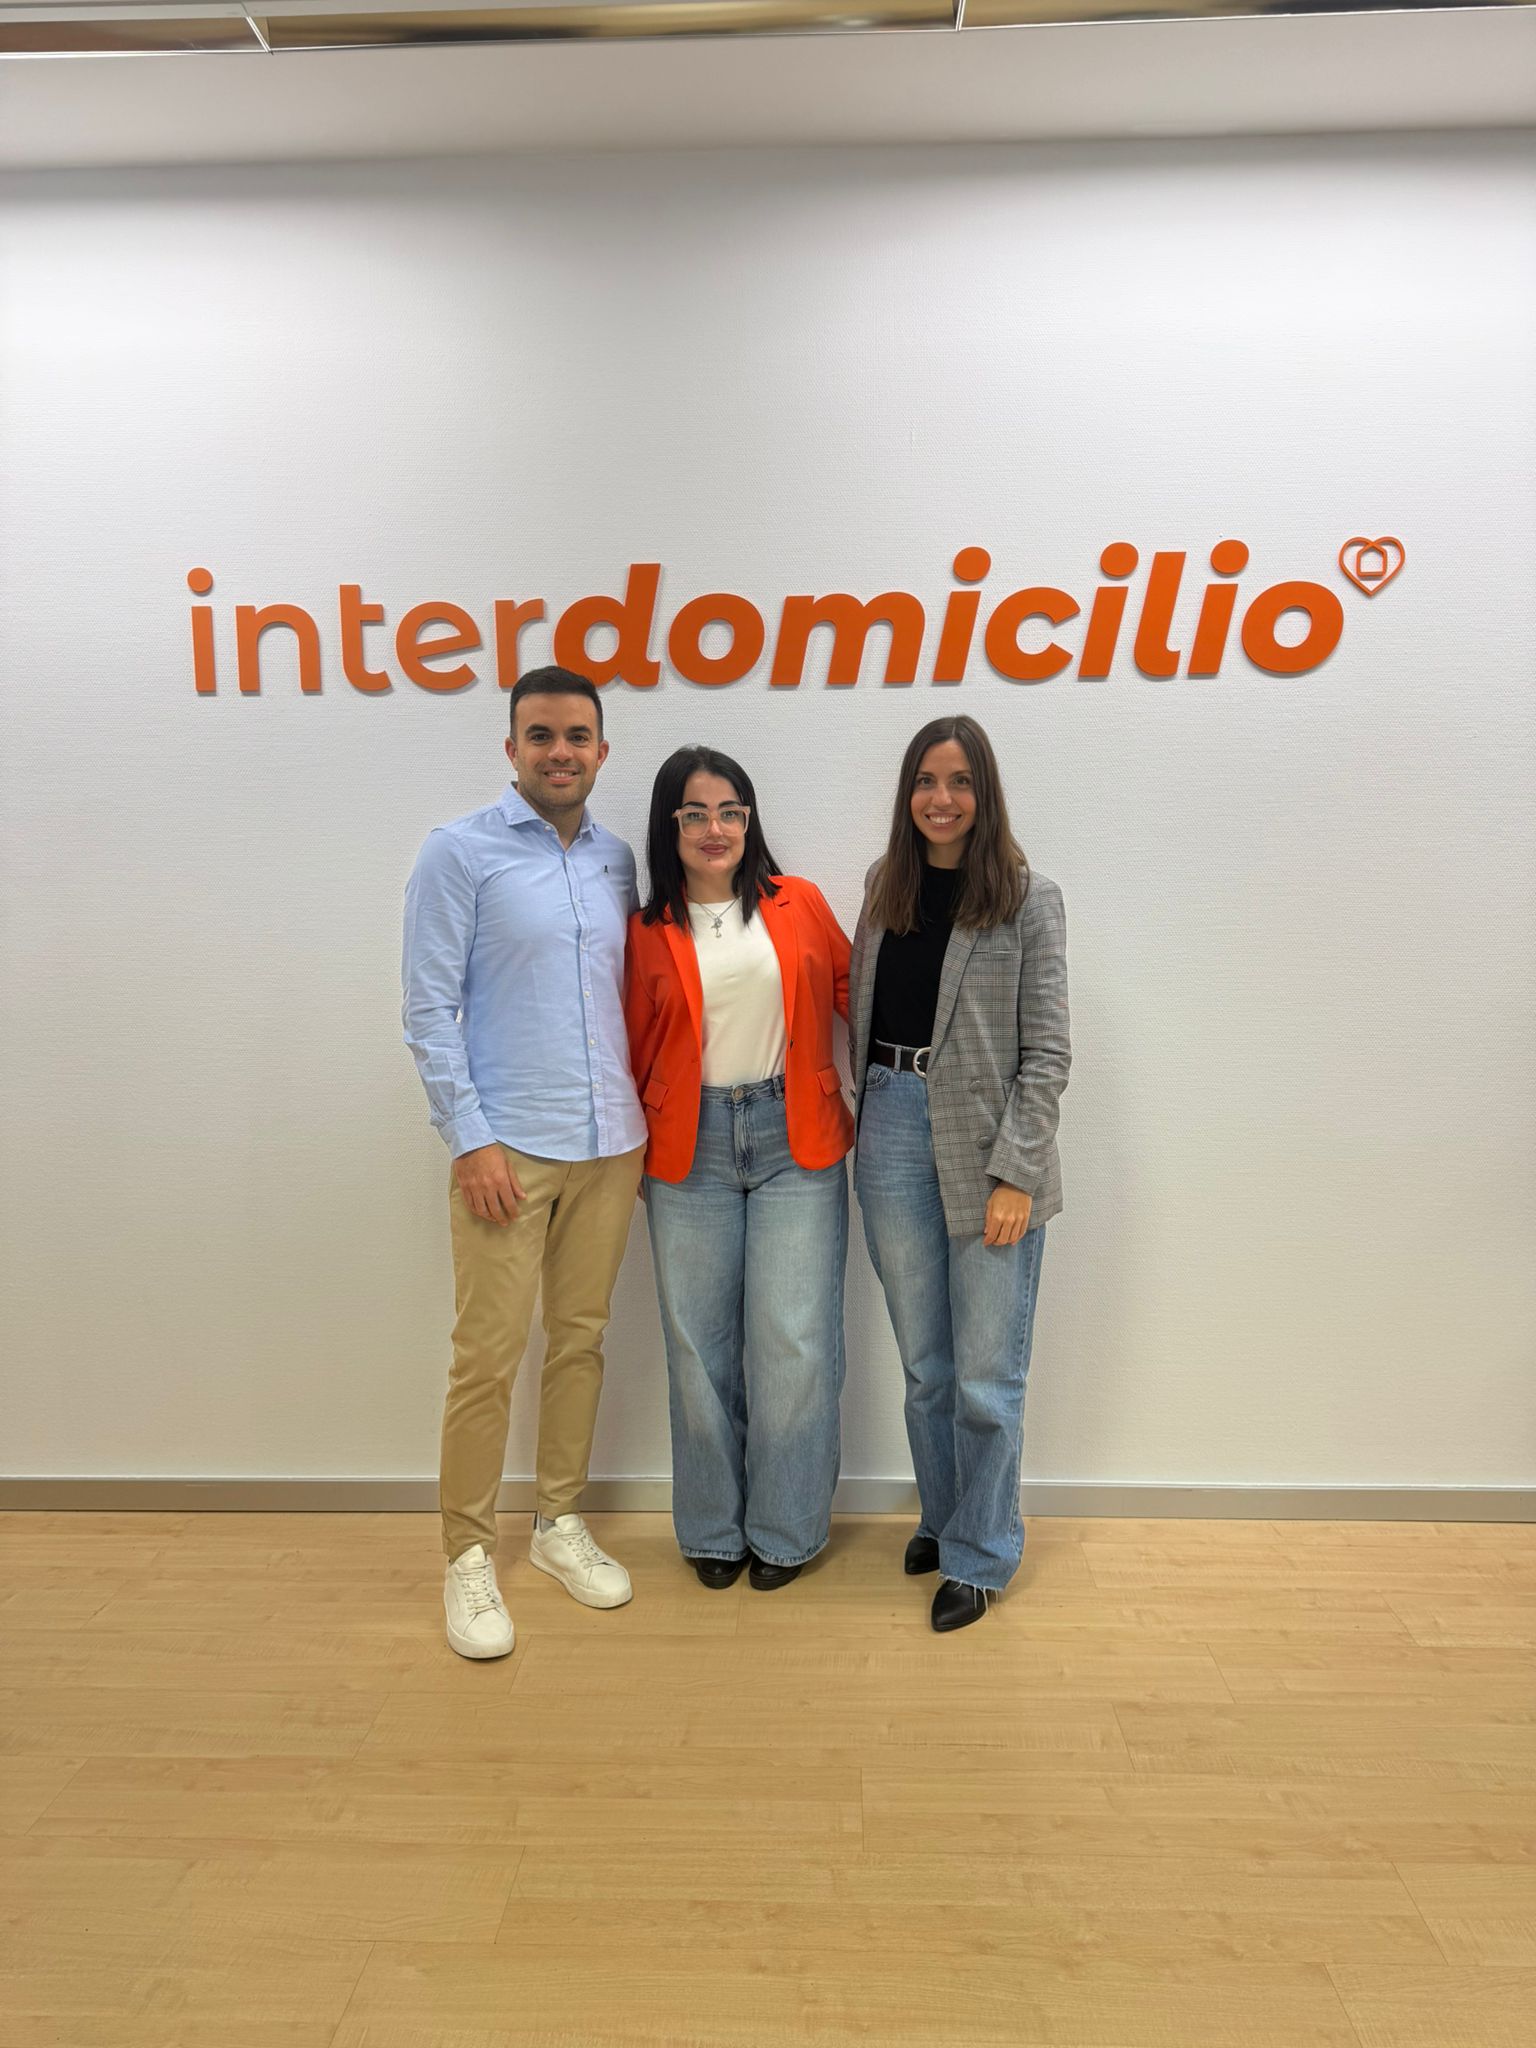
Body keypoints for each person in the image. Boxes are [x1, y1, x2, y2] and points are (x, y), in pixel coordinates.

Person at [402, 666, 647, 1659]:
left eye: (577, 735)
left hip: (611, 1144)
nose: (560, 751)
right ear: (512, 748)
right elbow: (428, 1007)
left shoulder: (619, 860)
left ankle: (557, 1522)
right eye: (540, 734)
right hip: (506, 1149)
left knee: (580, 1340)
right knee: (488, 1355)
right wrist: (469, 1139)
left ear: (601, 750)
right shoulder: (459, 851)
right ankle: (467, 1553)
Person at [850, 715, 1070, 1633]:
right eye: (925, 781)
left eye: (960, 782)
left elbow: (1047, 1054)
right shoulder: (885, 885)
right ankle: (943, 1519)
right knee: (926, 1367)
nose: (941, 799)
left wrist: (1016, 1173)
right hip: (889, 1126)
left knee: (986, 1373)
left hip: (988, 1148)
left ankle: (981, 1555)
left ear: (986, 792)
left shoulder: (1028, 899)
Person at [624, 746, 853, 1591]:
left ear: (750, 821)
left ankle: (787, 1531)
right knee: (698, 1349)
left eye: (731, 812)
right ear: (670, 825)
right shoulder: (645, 931)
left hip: (798, 1137)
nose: (715, 829)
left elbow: (858, 996)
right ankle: (713, 1529)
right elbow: (629, 1046)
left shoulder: (801, 904)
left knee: (794, 1343)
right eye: (695, 814)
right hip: (690, 1150)